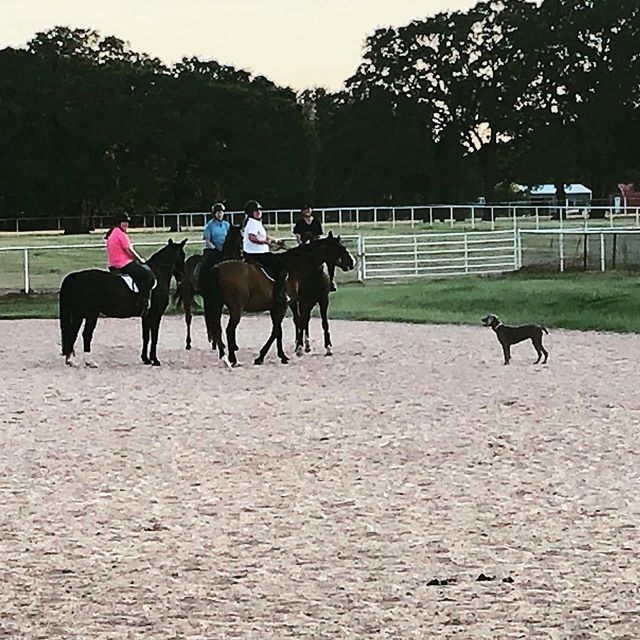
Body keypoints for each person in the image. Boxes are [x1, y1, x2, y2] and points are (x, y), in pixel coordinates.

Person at [105, 212, 156, 316]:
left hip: (113, 264)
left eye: (127, 222)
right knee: (147, 275)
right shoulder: (121, 234)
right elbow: (129, 250)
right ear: (119, 223)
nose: (126, 224)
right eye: (124, 222)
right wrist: (140, 259)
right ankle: (144, 301)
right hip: (123, 264)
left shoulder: (112, 233)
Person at [242, 200, 288, 304]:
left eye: (259, 210)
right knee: (282, 266)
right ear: (250, 213)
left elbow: (264, 236)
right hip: (257, 254)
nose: (258, 212)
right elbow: (252, 237)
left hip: (256, 252)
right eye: (256, 211)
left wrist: (276, 240)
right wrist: (265, 242)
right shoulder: (253, 222)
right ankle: (279, 294)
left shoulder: (256, 222)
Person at [292, 204, 337, 292]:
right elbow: (297, 235)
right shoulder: (300, 222)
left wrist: (317, 245)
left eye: (309, 209)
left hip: (315, 246)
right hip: (304, 246)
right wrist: (302, 244)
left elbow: (319, 235)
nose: (307, 211)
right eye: (305, 209)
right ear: (302, 211)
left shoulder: (316, 221)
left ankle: (330, 281)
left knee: (329, 261)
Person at [202, 202, 230, 269]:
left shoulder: (226, 225)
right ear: (214, 213)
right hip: (213, 250)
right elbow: (207, 241)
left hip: (225, 250)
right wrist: (215, 248)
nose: (219, 214)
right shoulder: (209, 226)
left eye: (221, 212)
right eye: (218, 212)